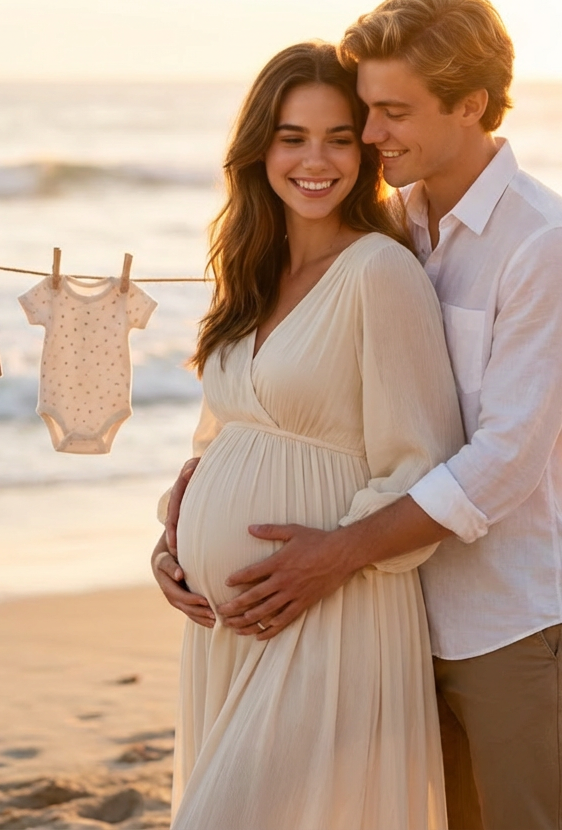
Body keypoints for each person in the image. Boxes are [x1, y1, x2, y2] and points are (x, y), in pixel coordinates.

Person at [159, 0, 562, 829]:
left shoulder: (544, 246)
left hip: (505, 611)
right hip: (389, 610)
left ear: (470, 104)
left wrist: (336, 553)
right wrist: (183, 525)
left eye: (389, 113)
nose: (368, 138)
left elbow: (503, 461)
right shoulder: (399, 224)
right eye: (363, 111)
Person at [151, 41, 465, 829]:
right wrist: (174, 538)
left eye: (339, 137)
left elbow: (419, 462)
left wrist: (325, 563)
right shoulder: (249, 274)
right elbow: (214, 439)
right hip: (228, 623)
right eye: (294, 137)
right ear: (261, 147)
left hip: (331, 607)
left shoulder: (379, 273)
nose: (316, 160)